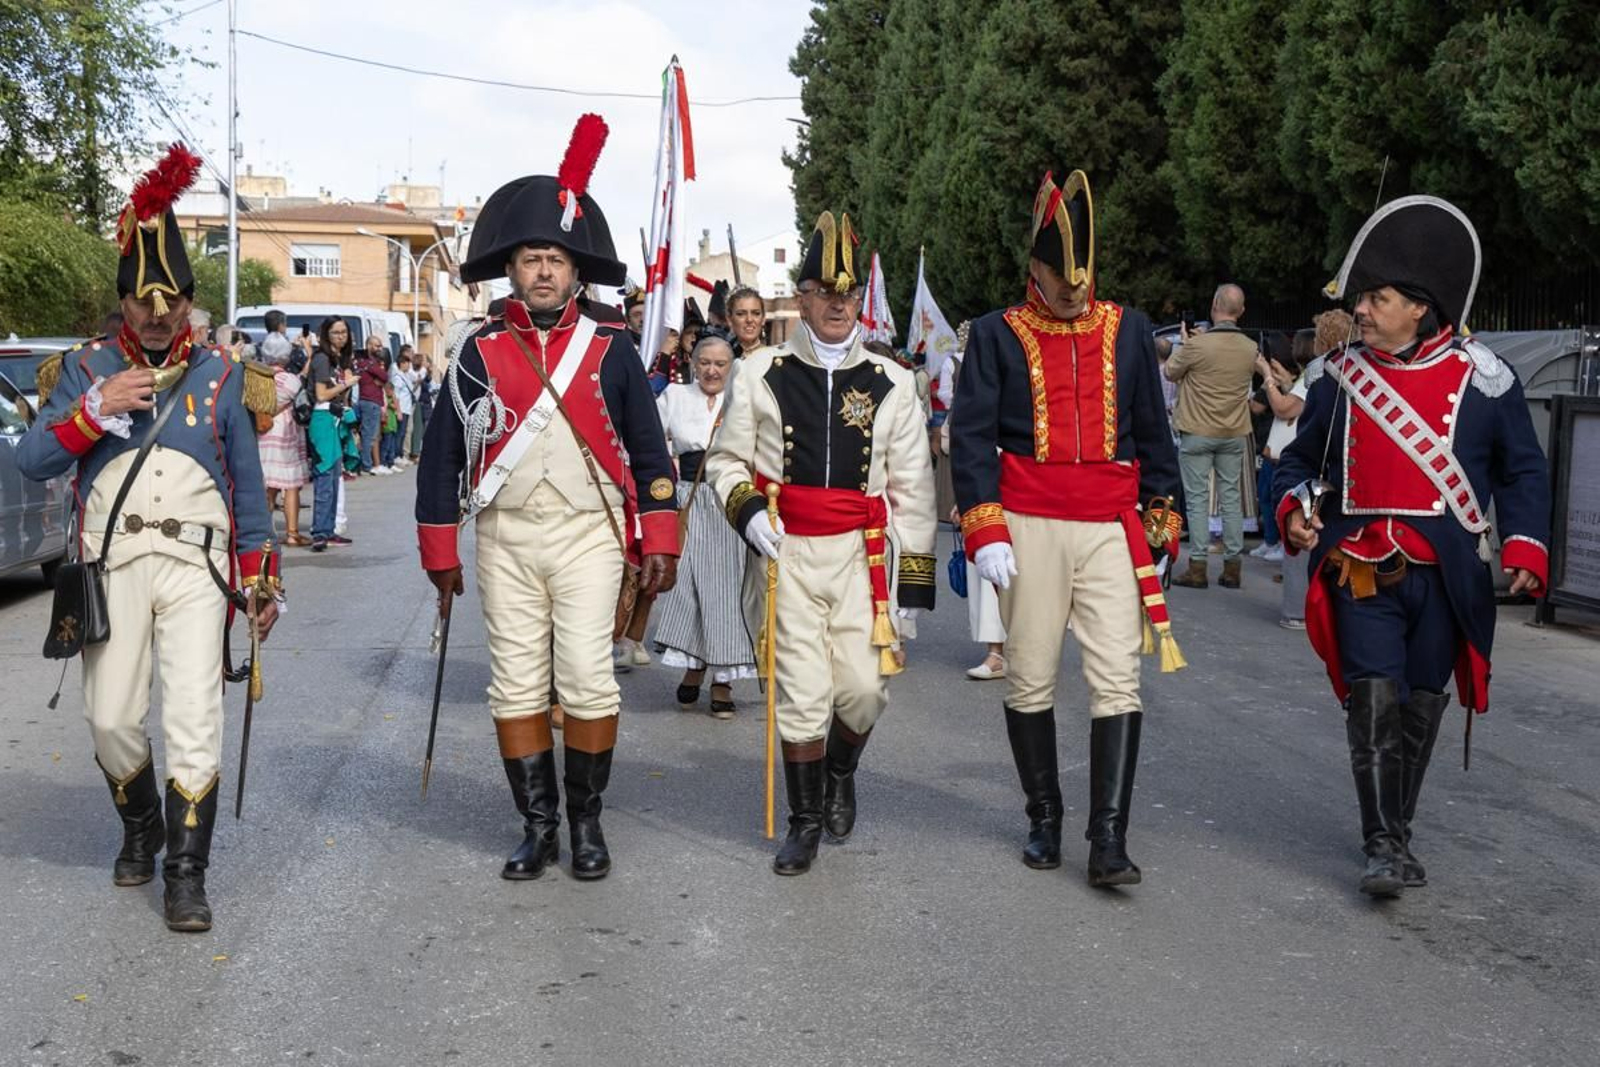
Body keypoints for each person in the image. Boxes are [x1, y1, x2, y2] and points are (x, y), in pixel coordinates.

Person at [17, 144, 280, 932]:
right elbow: (32, 460)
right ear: (124, 301)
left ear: (190, 301)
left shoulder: (224, 375)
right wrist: (94, 410)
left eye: (171, 302)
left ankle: (186, 873)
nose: (158, 315)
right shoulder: (84, 368)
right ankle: (140, 824)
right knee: (110, 717)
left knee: (194, 716)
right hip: (112, 564)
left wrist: (260, 576)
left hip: (197, 567)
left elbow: (248, 491)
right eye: (143, 301)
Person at [415, 113, 679, 883]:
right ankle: (538, 826)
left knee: (589, 678)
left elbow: (650, 451)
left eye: (554, 260)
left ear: (575, 271)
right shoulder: (478, 349)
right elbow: (441, 459)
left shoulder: (610, 346)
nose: (541, 272)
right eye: (530, 259)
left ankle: (586, 823)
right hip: (505, 535)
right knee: (516, 683)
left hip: (589, 533)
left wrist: (660, 537)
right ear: (511, 268)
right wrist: (440, 553)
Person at [1274, 196, 1550, 898]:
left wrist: (1525, 545)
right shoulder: (1339, 377)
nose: (1361, 311)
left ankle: (1396, 830)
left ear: (1419, 308)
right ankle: (1380, 846)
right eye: (1363, 298)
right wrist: (1297, 507)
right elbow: (1297, 462)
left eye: (1378, 298)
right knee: (1372, 696)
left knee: (1421, 701)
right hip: (1360, 571)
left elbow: (1522, 469)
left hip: (1446, 579)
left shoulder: (1485, 378)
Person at [950, 169, 1183, 888]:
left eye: (1083, 276)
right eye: (1061, 276)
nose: (1075, 288)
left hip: (1110, 525)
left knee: (1118, 677)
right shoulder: (995, 333)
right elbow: (971, 437)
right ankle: (1044, 816)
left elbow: (1154, 434)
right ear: (1036, 267)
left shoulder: (1130, 328)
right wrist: (984, 526)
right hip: (1028, 524)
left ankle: (1108, 838)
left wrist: (1162, 523)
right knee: (1029, 674)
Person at [705, 209, 937, 876]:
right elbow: (725, 462)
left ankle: (840, 769)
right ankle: (804, 821)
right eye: (824, 293)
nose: (838, 305)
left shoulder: (895, 382)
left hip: (865, 556)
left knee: (864, 690)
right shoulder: (760, 372)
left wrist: (912, 586)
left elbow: (915, 488)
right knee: (801, 693)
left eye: (848, 294)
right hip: (789, 554)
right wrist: (750, 513)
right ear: (801, 298)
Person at [652, 336, 755, 717]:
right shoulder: (674, 396)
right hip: (688, 500)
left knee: (727, 591)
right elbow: (648, 442)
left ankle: (723, 680)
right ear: (694, 364)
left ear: (731, 367)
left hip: (732, 500)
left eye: (720, 364)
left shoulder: (744, 401)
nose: (712, 370)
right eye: (705, 363)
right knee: (688, 587)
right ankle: (694, 666)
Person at [1164, 283, 1256, 589]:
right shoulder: (1249, 348)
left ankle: (1198, 565)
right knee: (1231, 499)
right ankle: (1232, 567)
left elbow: (1170, 372)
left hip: (1197, 430)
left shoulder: (1197, 346)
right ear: (1241, 311)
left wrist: (1186, 343)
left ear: (1215, 305)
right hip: (1234, 431)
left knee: (1197, 500)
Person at [307, 317, 358, 552]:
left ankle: (328, 530)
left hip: (336, 420)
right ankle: (320, 532)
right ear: (326, 335)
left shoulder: (338, 360)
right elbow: (321, 395)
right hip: (322, 419)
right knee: (325, 477)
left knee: (335, 478)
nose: (341, 336)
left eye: (344, 332)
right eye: (336, 332)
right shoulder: (322, 359)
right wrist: (346, 384)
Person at [257, 332, 312, 546]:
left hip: (263, 432)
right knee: (290, 485)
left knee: (268, 485)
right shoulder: (290, 380)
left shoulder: (257, 378)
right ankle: (292, 533)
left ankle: (264, 533)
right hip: (286, 433)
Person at [352, 332, 389, 474]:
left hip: (371, 401)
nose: (380, 349)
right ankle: (366, 465)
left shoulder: (371, 363)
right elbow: (384, 376)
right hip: (369, 401)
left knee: (371, 435)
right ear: (369, 346)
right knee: (369, 435)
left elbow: (383, 378)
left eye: (380, 346)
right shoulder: (368, 363)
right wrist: (380, 377)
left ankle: (368, 464)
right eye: (377, 346)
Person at [726, 285, 766, 357]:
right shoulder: (722, 358)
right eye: (741, 314)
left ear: (763, 319)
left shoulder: (775, 357)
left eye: (756, 313)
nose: (749, 319)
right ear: (729, 320)